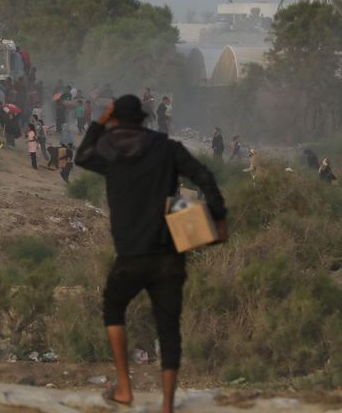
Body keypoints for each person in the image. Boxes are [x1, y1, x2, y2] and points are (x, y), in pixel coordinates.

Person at [74, 95, 227, 413]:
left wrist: (100, 121)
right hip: (168, 252)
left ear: (116, 120)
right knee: (168, 327)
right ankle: (167, 406)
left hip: (129, 254)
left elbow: (81, 156)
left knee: (113, 308)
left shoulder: (110, 153)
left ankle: (125, 388)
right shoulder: (167, 147)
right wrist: (217, 217)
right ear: (144, 119)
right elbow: (205, 176)